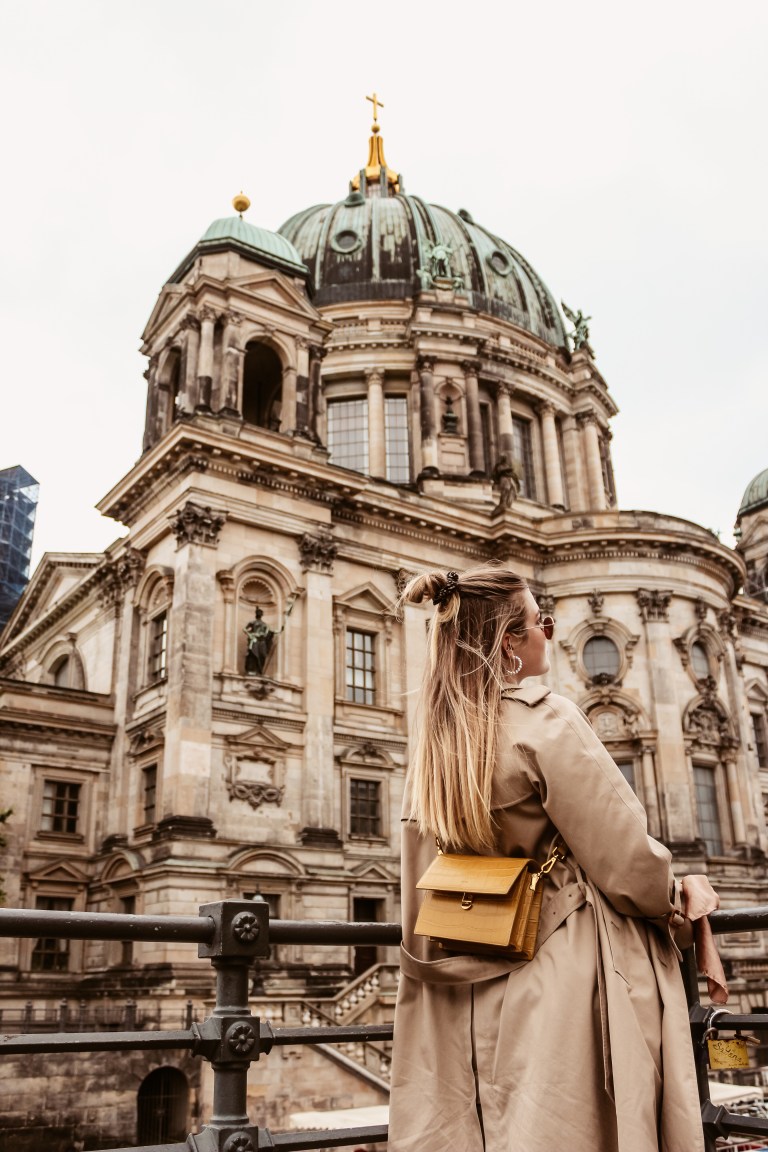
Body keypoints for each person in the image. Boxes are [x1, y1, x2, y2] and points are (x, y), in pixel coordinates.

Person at [387, 563, 717, 1152]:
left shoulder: (437, 740)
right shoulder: (545, 718)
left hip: (459, 975)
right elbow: (627, 863)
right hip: (554, 969)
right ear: (509, 642)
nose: (548, 632)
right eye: (542, 621)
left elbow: (418, 875)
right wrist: (677, 894)